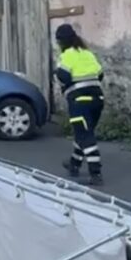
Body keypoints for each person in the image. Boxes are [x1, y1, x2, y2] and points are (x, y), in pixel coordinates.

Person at [54, 23, 104, 186]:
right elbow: (100, 74)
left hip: (79, 101)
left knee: (85, 136)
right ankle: (74, 164)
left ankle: (95, 173)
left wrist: (56, 72)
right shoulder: (87, 53)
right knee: (83, 133)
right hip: (98, 100)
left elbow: (64, 76)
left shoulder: (67, 55)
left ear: (61, 42)